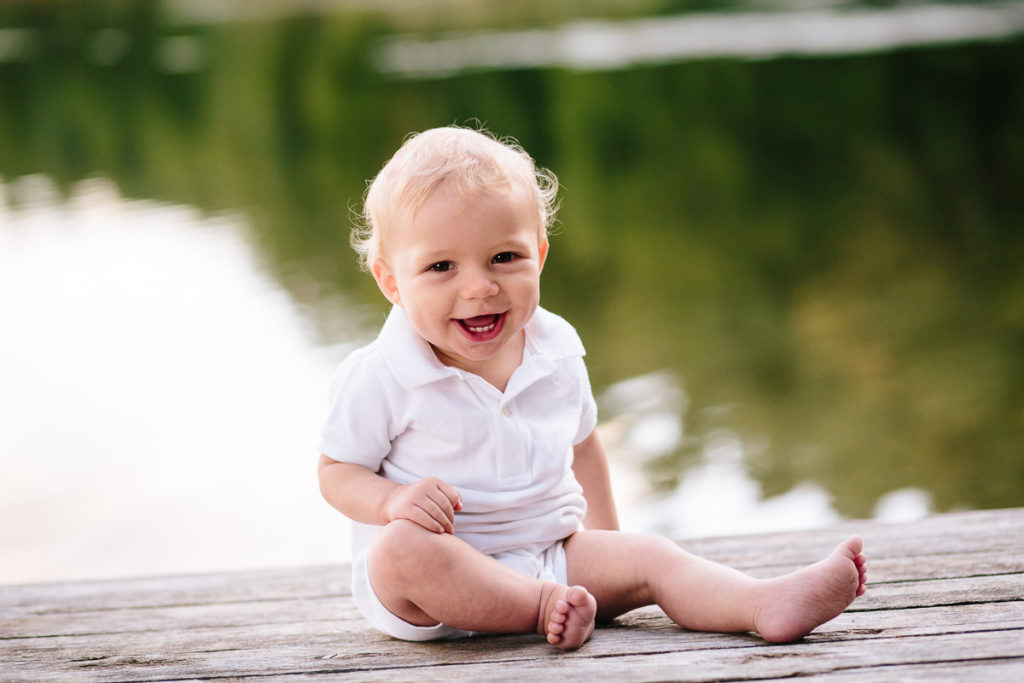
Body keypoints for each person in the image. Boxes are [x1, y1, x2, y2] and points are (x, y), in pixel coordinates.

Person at [317, 126, 867, 650]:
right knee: (397, 552)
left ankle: (760, 604)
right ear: (391, 281)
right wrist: (394, 501)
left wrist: (611, 546)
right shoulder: (381, 374)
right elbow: (337, 472)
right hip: (436, 586)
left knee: (653, 556)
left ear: (541, 253)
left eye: (505, 258)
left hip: (550, 556)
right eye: (441, 267)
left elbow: (584, 447)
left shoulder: (555, 351)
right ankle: (539, 610)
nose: (480, 287)